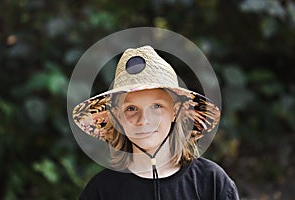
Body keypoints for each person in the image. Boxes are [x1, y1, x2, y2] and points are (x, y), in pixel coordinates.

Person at [73, 45, 239, 200]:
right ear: (117, 116)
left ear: (176, 111)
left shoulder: (211, 181)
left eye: (156, 106)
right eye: (131, 109)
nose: (144, 120)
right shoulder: (102, 190)